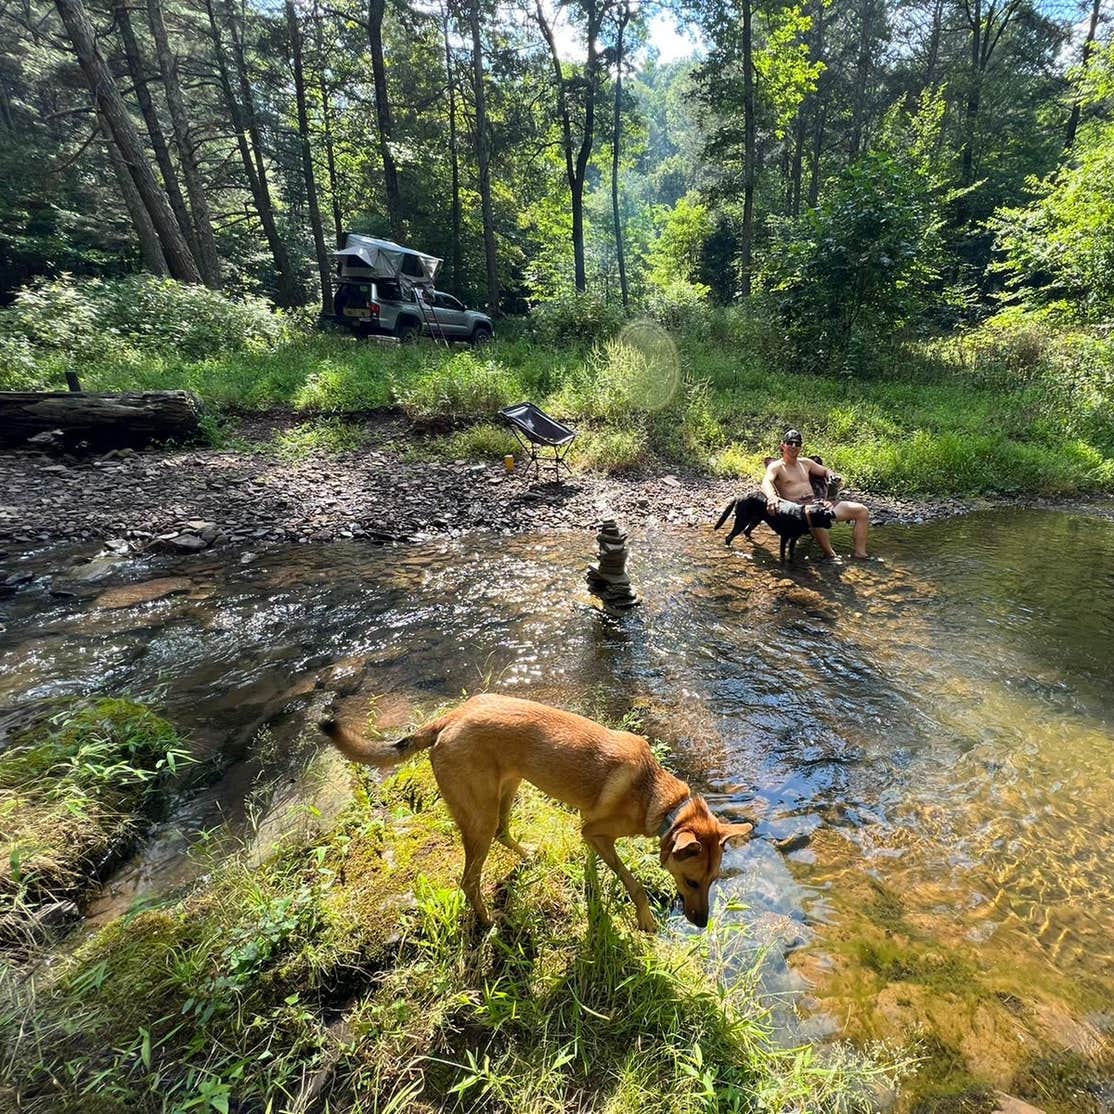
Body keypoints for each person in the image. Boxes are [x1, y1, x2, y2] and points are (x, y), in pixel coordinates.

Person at [760, 429, 871, 560]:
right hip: (798, 511)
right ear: (782, 446)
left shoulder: (806, 463)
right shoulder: (777, 466)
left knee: (862, 511)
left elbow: (825, 471)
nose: (794, 446)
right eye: (790, 443)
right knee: (815, 514)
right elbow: (766, 481)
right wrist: (772, 497)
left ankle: (860, 554)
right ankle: (831, 556)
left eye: (797, 443)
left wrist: (832, 475)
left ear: (801, 447)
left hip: (817, 503)